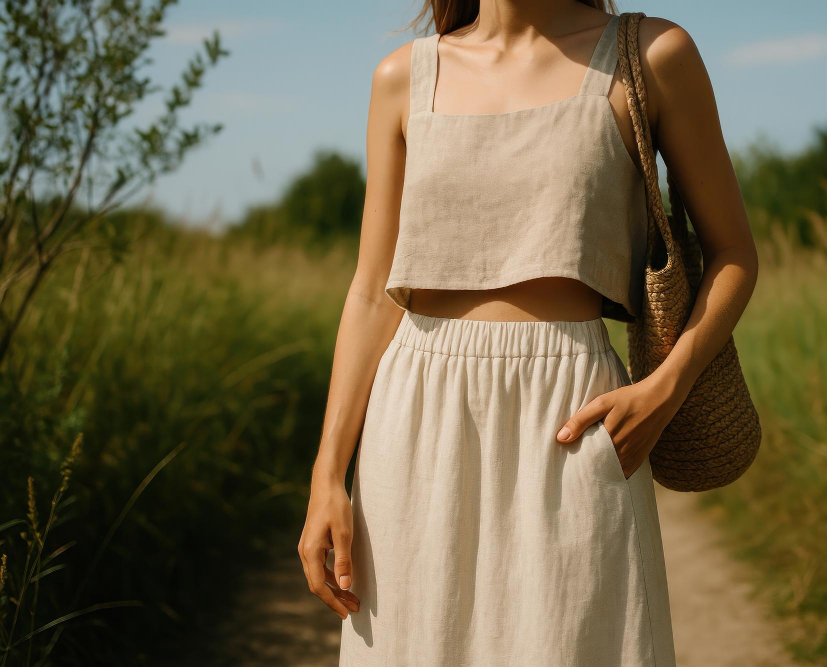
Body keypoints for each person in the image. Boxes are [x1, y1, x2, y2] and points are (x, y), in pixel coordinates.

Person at [299, 1, 758, 664]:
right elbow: (373, 290)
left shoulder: (653, 56)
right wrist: (325, 477)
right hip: (415, 412)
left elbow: (734, 252)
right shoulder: (404, 76)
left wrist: (665, 388)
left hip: (572, 413)